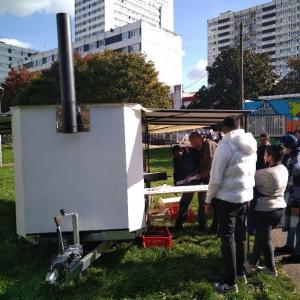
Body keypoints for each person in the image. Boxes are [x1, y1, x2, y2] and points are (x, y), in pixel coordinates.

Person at [204, 115, 257, 294]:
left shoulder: (225, 146)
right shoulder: (251, 144)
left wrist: (208, 200)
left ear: (225, 128)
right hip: (245, 197)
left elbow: (215, 177)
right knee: (241, 236)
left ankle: (229, 282)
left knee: (227, 238)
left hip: (227, 199)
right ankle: (241, 272)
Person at [249, 145, 288, 276]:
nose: (263, 156)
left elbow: (249, 181)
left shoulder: (265, 173)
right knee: (266, 239)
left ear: (270, 157)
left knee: (260, 239)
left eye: (265, 154)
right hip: (280, 208)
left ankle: (250, 266)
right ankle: (271, 269)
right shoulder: (283, 169)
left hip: (266, 210)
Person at [175, 132, 217, 231]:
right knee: (188, 198)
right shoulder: (202, 147)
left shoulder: (208, 145)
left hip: (211, 179)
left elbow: (210, 169)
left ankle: (204, 226)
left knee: (203, 201)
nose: (193, 146)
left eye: (193, 143)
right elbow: (201, 166)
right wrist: (191, 175)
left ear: (197, 139)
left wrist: (196, 176)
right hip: (203, 178)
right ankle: (180, 224)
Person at [276, 134, 300, 263]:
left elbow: (298, 182)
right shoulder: (291, 156)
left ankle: (298, 254)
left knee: (298, 225)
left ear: (290, 146)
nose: (282, 147)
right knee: (293, 224)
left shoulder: (297, 160)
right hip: (292, 196)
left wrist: (297, 203)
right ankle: (290, 246)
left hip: (297, 198)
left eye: (284, 145)